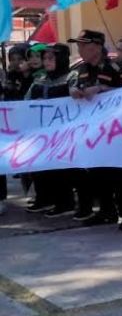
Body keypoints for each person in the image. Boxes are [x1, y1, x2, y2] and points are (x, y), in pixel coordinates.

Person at [65, 30, 122, 227]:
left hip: (118, 131)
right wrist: (74, 91)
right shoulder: (82, 69)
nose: (79, 49)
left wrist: (104, 90)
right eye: (78, 45)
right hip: (95, 132)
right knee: (98, 173)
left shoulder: (114, 67)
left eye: (83, 45)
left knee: (121, 175)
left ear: (96, 47)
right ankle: (106, 212)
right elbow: (75, 87)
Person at [25, 45, 74, 215]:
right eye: (45, 58)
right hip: (41, 133)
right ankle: (44, 199)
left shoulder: (71, 77)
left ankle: (65, 203)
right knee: (40, 167)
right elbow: (26, 100)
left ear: (61, 59)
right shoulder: (39, 79)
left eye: (51, 58)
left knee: (60, 169)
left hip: (63, 133)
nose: (46, 62)